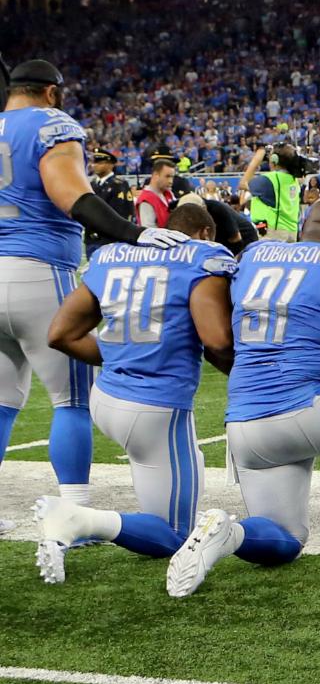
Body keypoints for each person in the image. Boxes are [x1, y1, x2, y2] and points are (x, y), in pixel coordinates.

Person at [166, 197, 320, 596]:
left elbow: (214, 341)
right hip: (309, 407)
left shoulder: (253, 255)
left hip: (245, 422)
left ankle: (226, 534)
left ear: (303, 228)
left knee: (284, 540)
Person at [2, 59, 188, 535]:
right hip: (39, 267)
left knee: (1, 400)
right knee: (73, 400)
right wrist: (132, 233)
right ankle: (74, 514)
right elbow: (69, 192)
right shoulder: (52, 124)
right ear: (49, 93)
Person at [34, 202, 235, 582]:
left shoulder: (112, 255)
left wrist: (118, 354)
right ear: (206, 233)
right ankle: (78, 519)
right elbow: (217, 339)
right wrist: (247, 374)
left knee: (159, 522)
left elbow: (60, 334)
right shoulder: (204, 255)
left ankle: (87, 519)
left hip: (107, 397)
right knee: (177, 534)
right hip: (157, 408)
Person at [240, 141, 317, 239]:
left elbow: (243, 184)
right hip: (291, 233)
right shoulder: (293, 180)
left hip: (272, 233)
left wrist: (256, 160)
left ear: (274, 160)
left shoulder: (269, 180)